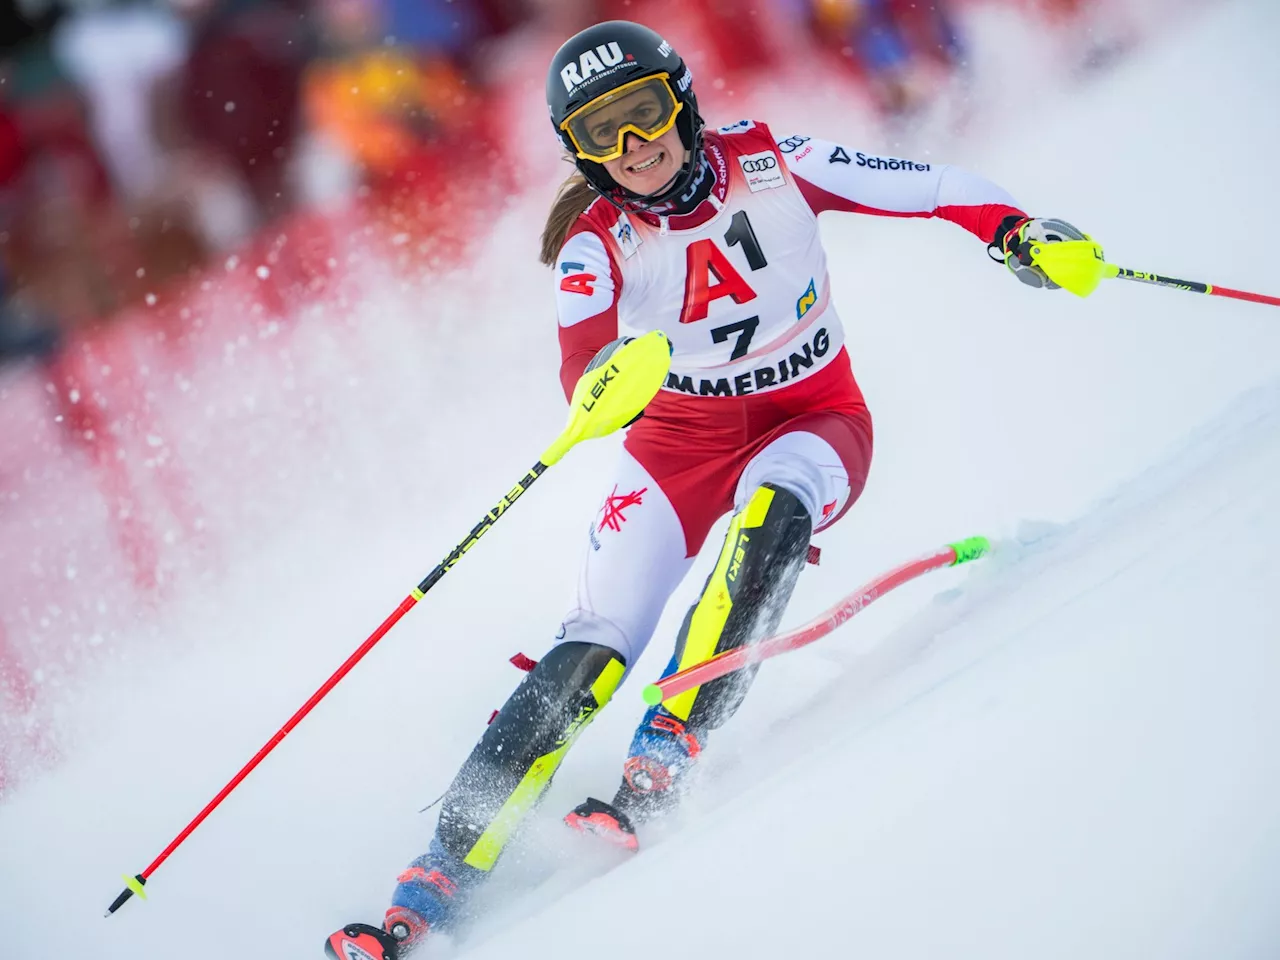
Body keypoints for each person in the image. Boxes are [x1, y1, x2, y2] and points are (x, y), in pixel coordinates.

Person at [326, 19, 1089, 960]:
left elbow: (933, 188)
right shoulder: (592, 248)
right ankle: (434, 881)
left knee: (772, 516)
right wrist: (607, 382)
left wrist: (1018, 234)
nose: (635, 146)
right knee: (590, 649)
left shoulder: (775, 162)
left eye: (645, 113)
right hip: (674, 451)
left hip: (814, 420)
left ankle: (666, 751)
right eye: (604, 135)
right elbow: (583, 372)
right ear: (582, 154)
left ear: (682, 101)